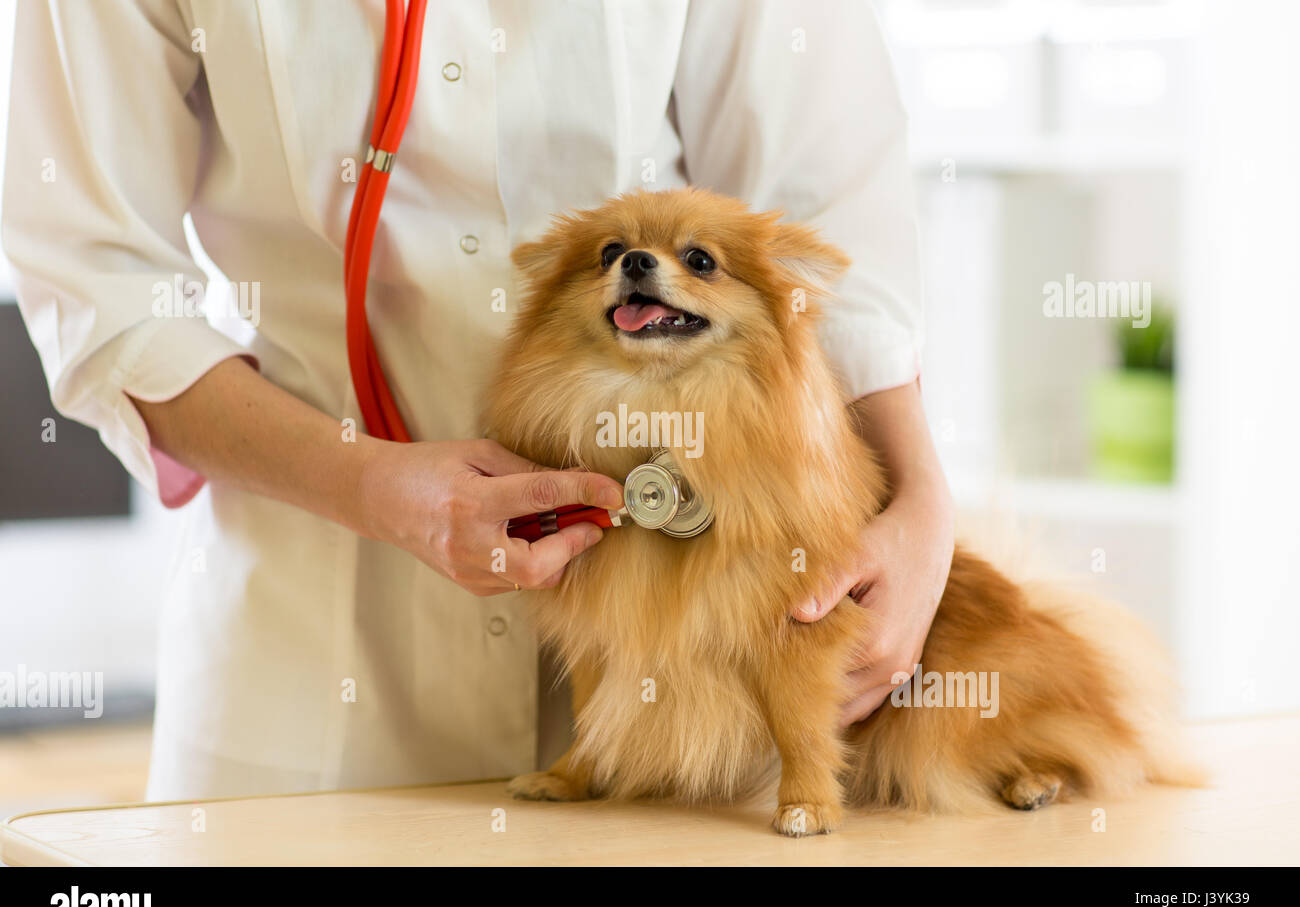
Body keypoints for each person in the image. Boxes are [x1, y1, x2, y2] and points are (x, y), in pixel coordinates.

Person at [4, 0, 953, 800]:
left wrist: (917, 500)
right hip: (310, 655)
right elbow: (101, 282)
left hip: (690, 667)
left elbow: (826, 217)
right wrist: (365, 483)